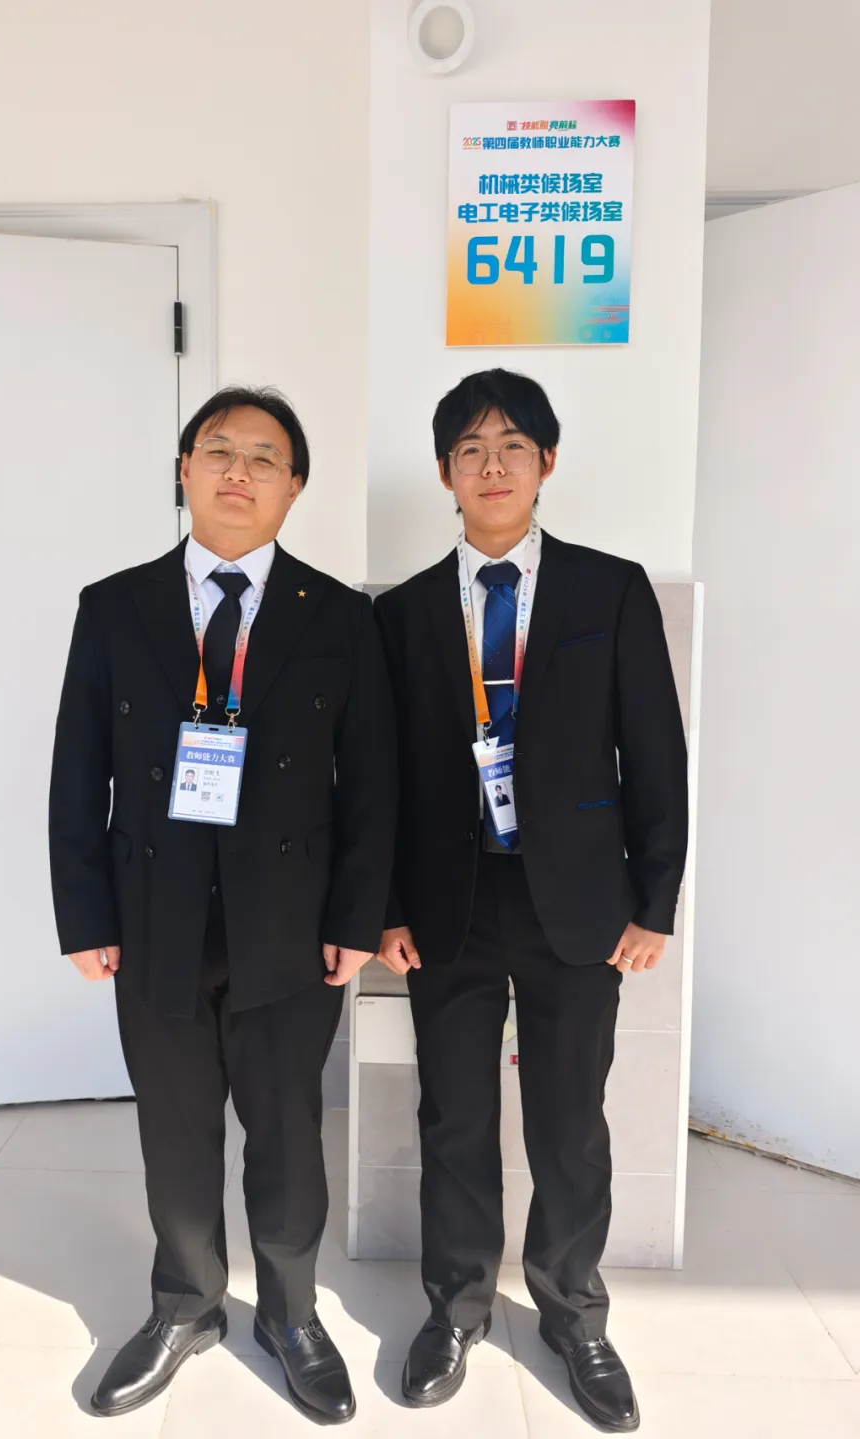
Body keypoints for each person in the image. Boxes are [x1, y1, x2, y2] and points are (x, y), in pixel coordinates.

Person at [50, 386, 396, 1424]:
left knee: (286, 1131)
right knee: (176, 1130)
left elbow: (372, 784)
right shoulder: (114, 606)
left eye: (263, 457)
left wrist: (355, 919)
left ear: (294, 486)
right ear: (185, 470)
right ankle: (185, 1304)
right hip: (152, 917)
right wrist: (85, 915)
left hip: (291, 926)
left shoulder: (340, 616)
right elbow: (78, 772)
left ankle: (291, 1312)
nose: (238, 471)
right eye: (218, 451)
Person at [374, 368, 687, 1434]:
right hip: (447, 904)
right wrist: (385, 906)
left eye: (513, 444)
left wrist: (655, 900)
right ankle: (456, 1306)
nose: (492, 464)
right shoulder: (403, 612)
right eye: (470, 448)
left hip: (582, 903)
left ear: (547, 461)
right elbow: (382, 778)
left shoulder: (611, 590)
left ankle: (572, 1311)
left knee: (569, 1120)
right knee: (454, 1115)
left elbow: (655, 754)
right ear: (445, 474)